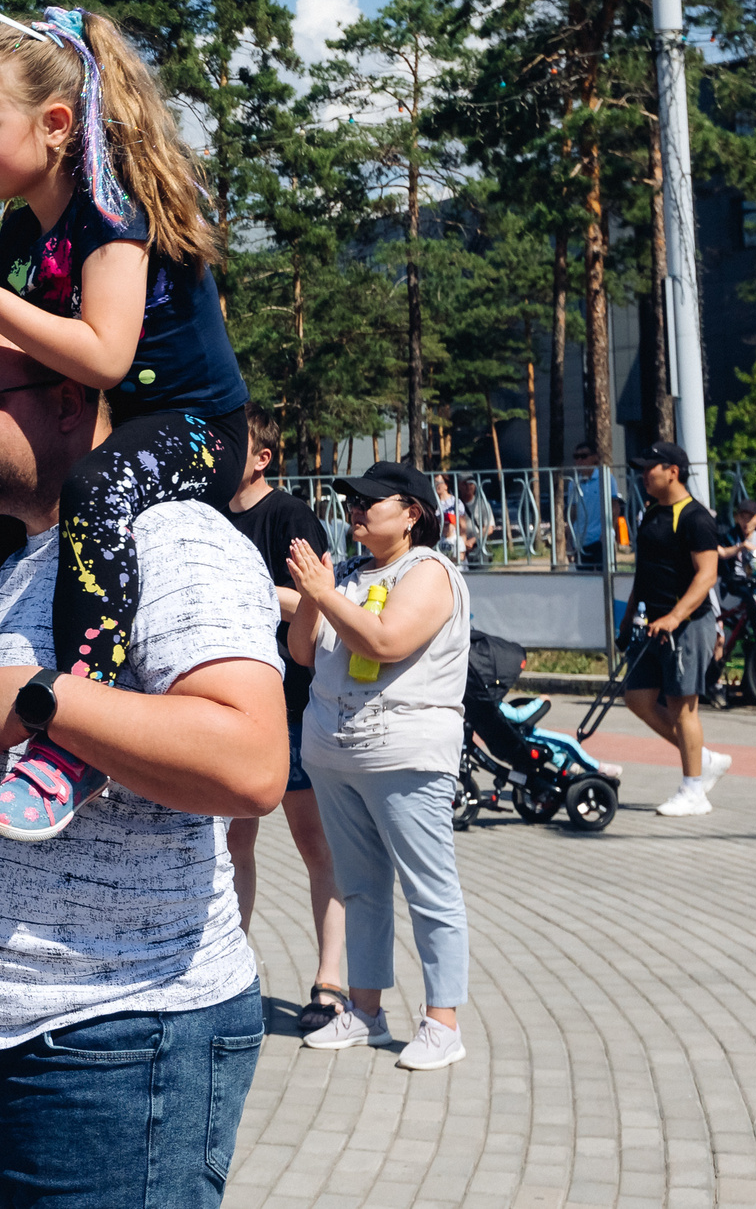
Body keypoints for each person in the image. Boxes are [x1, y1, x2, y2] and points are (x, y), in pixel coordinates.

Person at [0, 325, 286, 1209]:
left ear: (69, 401)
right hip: (33, 1034)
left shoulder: (170, 535)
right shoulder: (30, 556)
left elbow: (251, 761)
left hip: (117, 1042)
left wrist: (38, 696)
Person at [0, 5, 250, 841]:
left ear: (53, 125)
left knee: (94, 490)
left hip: (196, 430)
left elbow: (106, 355)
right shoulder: (22, 229)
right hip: (113, 422)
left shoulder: (113, 215)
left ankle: (69, 744)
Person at [285, 459, 473, 1071]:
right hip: (336, 753)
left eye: (370, 501)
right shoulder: (346, 572)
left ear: (412, 513)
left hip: (406, 754)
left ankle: (443, 1021)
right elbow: (304, 652)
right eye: (352, 501)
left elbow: (386, 641)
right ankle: (365, 1011)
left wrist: (321, 594)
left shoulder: (429, 572)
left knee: (429, 888)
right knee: (360, 885)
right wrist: (315, 597)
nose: (355, 510)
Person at [223, 408, 349, 1034]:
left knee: (315, 846)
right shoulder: (208, 515)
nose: (214, 450)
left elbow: (319, 604)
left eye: (229, 441)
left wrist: (250, 592)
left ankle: (330, 984)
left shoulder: (292, 518)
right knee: (230, 844)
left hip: (293, 706)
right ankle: (229, 972)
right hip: (227, 710)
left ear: (262, 457)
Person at [622, 441, 731, 818]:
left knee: (683, 708)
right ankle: (707, 760)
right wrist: (630, 613)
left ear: (673, 471)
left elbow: (707, 576)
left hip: (686, 625)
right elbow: (645, 571)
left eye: (650, 467)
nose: (643, 474)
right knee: (636, 697)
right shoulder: (651, 513)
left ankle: (693, 790)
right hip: (652, 623)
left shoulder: (696, 518)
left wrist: (674, 617)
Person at [566, 442, 607, 570]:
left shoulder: (605, 479)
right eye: (576, 457)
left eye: (583, 456)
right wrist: (568, 542)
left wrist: (608, 533)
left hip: (599, 539)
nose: (579, 461)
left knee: (604, 581)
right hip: (580, 541)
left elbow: (614, 507)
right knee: (583, 583)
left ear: (594, 458)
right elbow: (572, 514)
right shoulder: (573, 483)